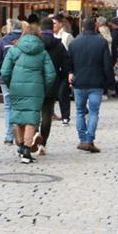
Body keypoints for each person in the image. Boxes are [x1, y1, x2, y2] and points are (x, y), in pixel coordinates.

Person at [1, 27, 55, 164]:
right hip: (35, 89)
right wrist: (43, 87)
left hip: (16, 87)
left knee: (18, 116)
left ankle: (20, 146)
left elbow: (5, 72)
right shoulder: (42, 53)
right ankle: (26, 149)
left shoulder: (14, 50)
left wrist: (11, 84)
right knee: (31, 118)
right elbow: (51, 74)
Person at [68, 18, 114, 153]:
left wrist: (71, 73)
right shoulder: (101, 42)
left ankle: (82, 139)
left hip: (79, 83)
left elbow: (69, 63)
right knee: (94, 112)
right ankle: (89, 140)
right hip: (96, 83)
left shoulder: (74, 43)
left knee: (80, 112)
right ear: (95, 27)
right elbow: (107, 64)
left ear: (82, 27)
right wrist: (110, 83)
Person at [37, 18, 70, 156]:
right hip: (51, 83)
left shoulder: (36, 44)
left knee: (32, 112)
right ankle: (42, 144)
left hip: (35, 82)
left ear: (41, 28)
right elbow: (67, 64)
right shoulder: (59, 44)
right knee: (47, 115)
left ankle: (31, 137)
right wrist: (60, 76)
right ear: (53, 28)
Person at [0, 19, 23, 144]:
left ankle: (9, 136)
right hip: (23, 78)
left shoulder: (2, 41)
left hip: (6, 78)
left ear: (10, 28)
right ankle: (23, 135)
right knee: (22, 106)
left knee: (8, 106)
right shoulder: (27, 40)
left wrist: (1, 74)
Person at [53, 15, 74, 124]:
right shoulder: (50, 36)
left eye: (55, 23)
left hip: (64, 69)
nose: (53, 26)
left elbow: (71, 53)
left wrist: (71, 71)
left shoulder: (67, 36)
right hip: (52, 69)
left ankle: (65, 116)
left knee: (62, 93)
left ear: (60, 24)